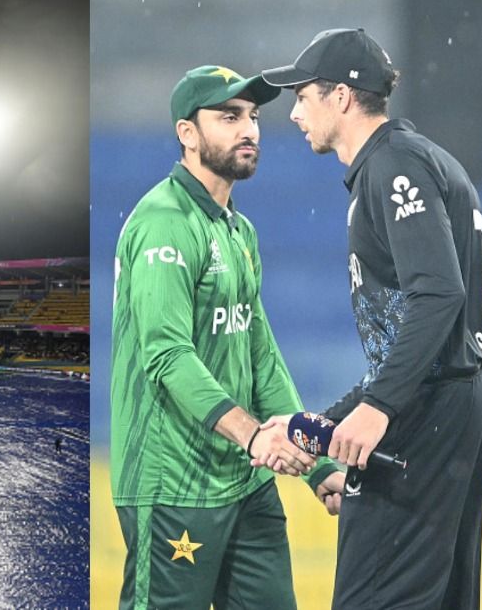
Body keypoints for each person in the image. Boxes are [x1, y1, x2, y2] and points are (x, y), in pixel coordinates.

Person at [262, 27, 482, 609]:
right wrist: (317, 426)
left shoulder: (394, 164)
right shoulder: (410, 159)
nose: (295, 113)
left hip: (429, 409)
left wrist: (378, 408)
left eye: (303, 96)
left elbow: (438, 294)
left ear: (341, 96)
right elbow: (411, 340)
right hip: (444, 399)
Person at [111, 65, 342, 610]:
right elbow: (168, 356)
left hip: (245, 480)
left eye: (253, 117)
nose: (249, 130)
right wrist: (254, 436)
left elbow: (260, 355)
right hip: (174, 484)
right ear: (187, 133)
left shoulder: (239, 230)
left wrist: (318, 464)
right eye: (229, 117)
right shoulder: (164, 224)